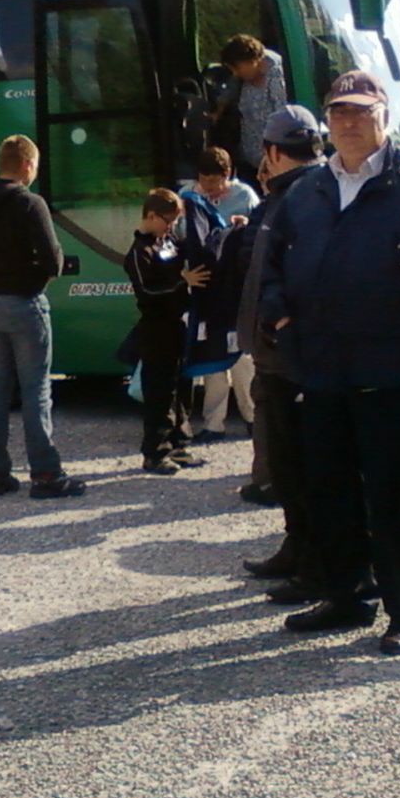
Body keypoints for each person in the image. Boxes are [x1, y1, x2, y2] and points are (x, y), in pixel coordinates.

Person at [260, 70, 400, 656]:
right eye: (339, 112)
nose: (350, 122)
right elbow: (272, 265)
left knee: (394, 499)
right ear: (327, 121)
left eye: (362, 111)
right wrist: (279, 317)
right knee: (329, 493)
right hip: (321, 372)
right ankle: (345, 596)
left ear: (385, 116)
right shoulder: (308, 190)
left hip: (394, 373)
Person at [228, 107, 329, 602]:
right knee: (285, 463)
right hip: (277, 355)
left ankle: (314, 562)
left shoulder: (306, 196)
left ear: (270, 151)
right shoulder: (288, 195)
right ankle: (298, 547)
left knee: (300, 463)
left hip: (293, 357)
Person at [0, 134, 83, 500]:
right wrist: (32, 279)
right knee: (35, 390)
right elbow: (53, 261)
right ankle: (45, 474)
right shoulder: (30, 203)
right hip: (25, 304)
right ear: (27, 165)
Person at [125, 189, 211, 475]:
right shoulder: (139, 252)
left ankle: (179, 443)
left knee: (182, 389)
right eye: (168, 221)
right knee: (159, 393)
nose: (171, 227)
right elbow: (147, 290)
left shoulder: (169, 242)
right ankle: (155, 452)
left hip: (178, 325)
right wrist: (182, 281)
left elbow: (189, 249)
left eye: (175, 222)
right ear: (151, 216)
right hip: (155, 328)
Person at [179, 147, 257, 441]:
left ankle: (253, 417)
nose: (210, 188)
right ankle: (214, 423)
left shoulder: (245, 196)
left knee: (242, 357)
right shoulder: (188, 197)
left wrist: (245, 227)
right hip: (205, 289)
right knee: (211, 357)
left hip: (236, 288)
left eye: (216, 182)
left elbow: (259, 235)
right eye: (205, 181)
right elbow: (176, 239)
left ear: (229, 175)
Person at [214, 33, 288, 186]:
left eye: (237, 68)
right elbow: (228, 93)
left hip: (272, 165)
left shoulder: (276, 74)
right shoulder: (241, 78)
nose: (235, 73)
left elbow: (282, 116)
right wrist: (217, 112)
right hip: (248, 161)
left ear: (252, 61)